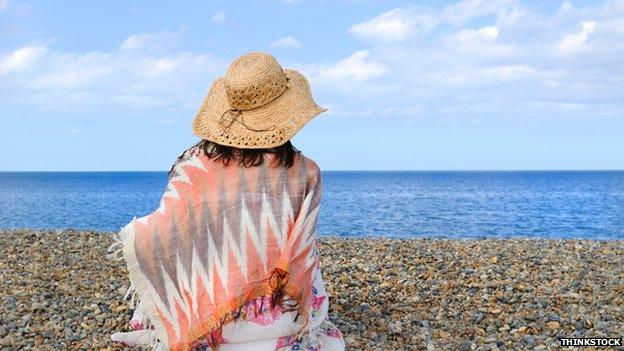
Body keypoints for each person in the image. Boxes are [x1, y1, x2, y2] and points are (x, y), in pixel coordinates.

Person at [109, 52, 345, 351]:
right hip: (280, 318)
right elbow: (301, 256)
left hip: (203, 317)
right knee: (300, 252)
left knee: (186, 256)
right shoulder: (305, 171)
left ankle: (166, 331)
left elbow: (165, 233)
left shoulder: (194, 165)